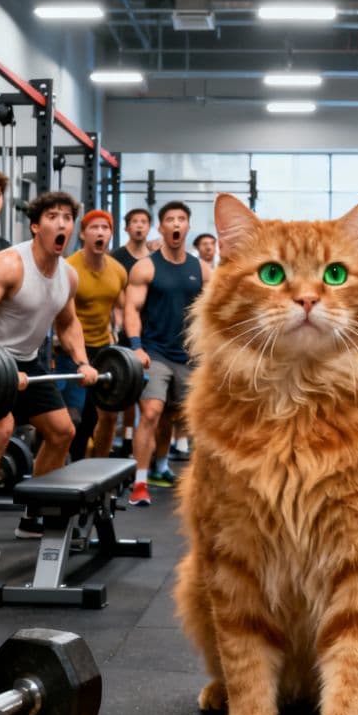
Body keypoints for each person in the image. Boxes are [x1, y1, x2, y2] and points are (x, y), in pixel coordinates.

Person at [0, 191, 98, 559]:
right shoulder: (8, 264)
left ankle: (32, 517)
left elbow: (68, 323)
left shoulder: (67, 276)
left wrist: (82, 362)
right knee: (0, 431)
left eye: (67, 217)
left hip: (29, 362)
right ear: (36, 226)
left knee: (62, 431)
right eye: (53, 217)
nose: (62, 223)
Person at [125, 201, 212, 504]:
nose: (176, 224)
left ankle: (161, 467)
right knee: (151, 412)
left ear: (187, 226)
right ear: (161, 228)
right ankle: (139, 482)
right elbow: (132, 309)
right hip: (155, 353)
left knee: (173, 418)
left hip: (189, 356)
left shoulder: (202, 270)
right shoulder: (146, 267)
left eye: (181, 219)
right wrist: (136, 347)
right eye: (170, 219)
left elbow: (211, 313)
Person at [58, 209, 127, 460]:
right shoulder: (69, 268)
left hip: (103, 350)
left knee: (104, 417)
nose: (100, 233)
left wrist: (116, 331)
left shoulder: (118, 271)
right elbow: (63, 315)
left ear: (110, 234)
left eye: (105, 228)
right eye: (94, 228)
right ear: (83, 234)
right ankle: (68, 467)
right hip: (70, 350)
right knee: (73, 419)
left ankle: (98, 470)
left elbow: (119, 306)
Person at [111, 208, 153, 455]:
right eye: (134, 222)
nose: (139, 226)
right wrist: (118, 325)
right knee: (129, 387)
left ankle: (145, 447)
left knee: (149, 394)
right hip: (125, 333)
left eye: (143, 222)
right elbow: (115, 296)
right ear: (127, 228)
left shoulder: (154, 260)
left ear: (149, 227)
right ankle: (126, 438)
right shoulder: (116, 257)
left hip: (150, 332)